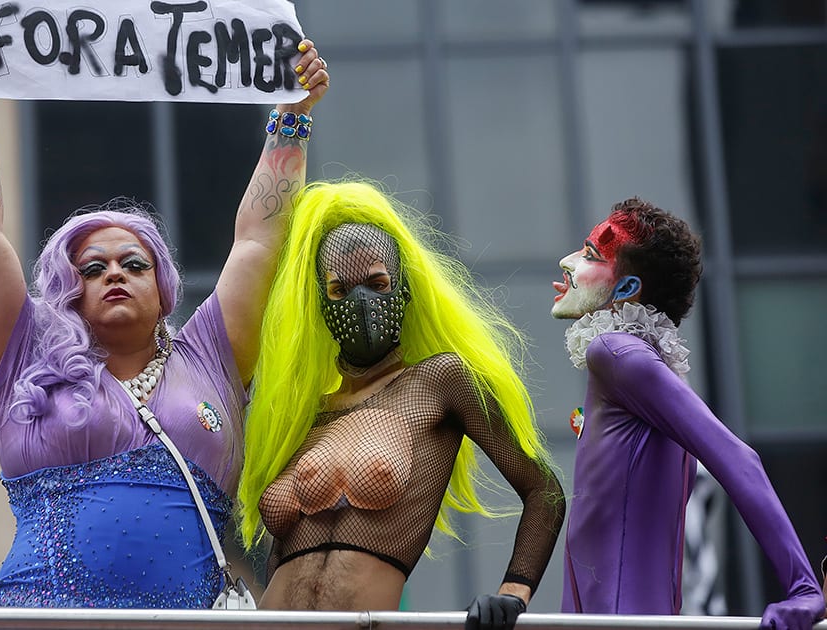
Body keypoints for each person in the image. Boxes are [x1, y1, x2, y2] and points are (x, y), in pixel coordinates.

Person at [0, 19, 328, 608]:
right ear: (69, 291)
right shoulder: (25, 356)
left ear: (165, 289)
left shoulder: (210, 356)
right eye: (92, 269)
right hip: (40, 618)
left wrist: (292, 112)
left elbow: (257, 243)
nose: (114, 273)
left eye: (134, 264)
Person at [235, 181, 566, 628]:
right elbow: (281, 556)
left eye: (377, 283)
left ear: (404, 290)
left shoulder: (439, 379)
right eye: (338, 289)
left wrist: (512, 595)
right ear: (320, 303)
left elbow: (543, 490)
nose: (361, 302)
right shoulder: (307, 415)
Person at [551, 197, 825, 627]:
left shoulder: (616, 352)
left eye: (591, 255)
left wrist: (804, 588)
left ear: (626, 290)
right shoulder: (636, 361)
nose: (567, 262)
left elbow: (739, 458)